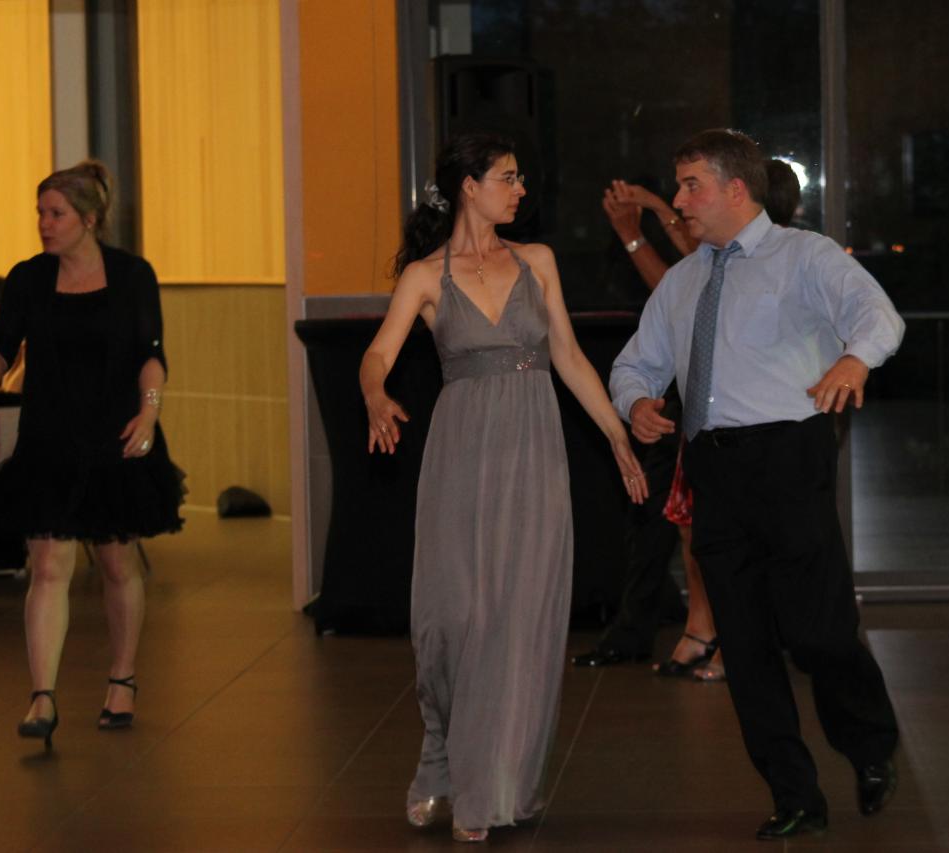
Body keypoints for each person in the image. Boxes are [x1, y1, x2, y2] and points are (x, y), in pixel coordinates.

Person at [609, 129, 904, 841]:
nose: (678, 200)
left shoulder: (805, 255)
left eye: (691, 186)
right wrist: (637, 401)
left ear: (735, 189)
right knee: (743, 646)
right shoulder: (683, 282)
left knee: (817, 633)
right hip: (714, 468)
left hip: (790, 457)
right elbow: (634, 364)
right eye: (679, 185)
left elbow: (880, 317)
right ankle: (794, 794)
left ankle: (870, 745)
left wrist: (854, 361)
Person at [359, 132, 646, 843]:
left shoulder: (537, 261)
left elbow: (568, 356)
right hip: (461, 457)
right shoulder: (425, 276)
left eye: (521, 179)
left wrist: (616, 435)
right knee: (451, 618)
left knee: (516, 623)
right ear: (470, 186)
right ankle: (439, 752)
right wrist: (374, 394)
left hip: (534, 453)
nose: (520, 191)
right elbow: (377, 354)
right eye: (508, 178)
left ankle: (490, 790)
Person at [578, 160, 804, 682]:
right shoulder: (719, 253)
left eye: (693, 188)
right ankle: (704, 628)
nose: (685, 200)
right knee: (693, 526)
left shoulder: (766, 256)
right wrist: (653, 209)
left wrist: (637, 228)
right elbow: (684, 274)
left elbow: (678, 282)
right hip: (703, 407)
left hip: (752, 418)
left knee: (739, 534)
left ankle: (740, 638)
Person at [0, 160, 184, 749]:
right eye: (40, 213)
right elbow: (0, 349)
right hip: (49, 439)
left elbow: (151, 353)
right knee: (49, 566)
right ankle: (42, 696)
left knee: (116, 564)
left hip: (115, 435)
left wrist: (149, 412)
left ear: (90, 219)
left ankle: (122, 678)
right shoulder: (28, 279)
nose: (44, 224)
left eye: (56, 214)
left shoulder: (131, 276)